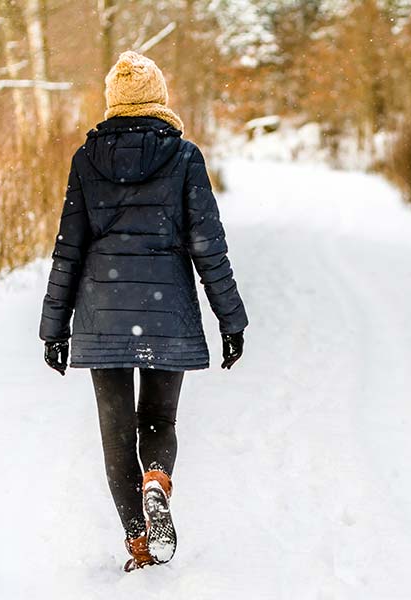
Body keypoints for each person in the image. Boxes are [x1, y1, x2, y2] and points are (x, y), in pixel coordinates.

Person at [37, 51, 249, 572]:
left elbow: (69, 248)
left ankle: (138, 542)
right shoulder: (184, 158)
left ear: (114, 101)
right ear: (160, 98)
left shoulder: (87, 160)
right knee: (158, 417)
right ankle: (157, 479)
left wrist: (53, 328)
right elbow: (208, 246)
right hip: (166, 312)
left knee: (116, 435)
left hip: (101, 313)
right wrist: (231, 319)